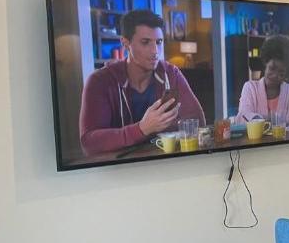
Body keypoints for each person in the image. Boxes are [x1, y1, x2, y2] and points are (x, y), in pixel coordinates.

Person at [79, 10, 205, 155]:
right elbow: (89, 143)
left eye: (159, 42)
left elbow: (197, 122)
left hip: (165, 161)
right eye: (145, 42)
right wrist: (141, 129)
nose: (155, 51)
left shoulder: (170, 74)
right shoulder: (100, 81)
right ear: (125, 43)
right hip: (120, 167)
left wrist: (166, 128)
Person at [236, 34, 289, 129]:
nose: (275, 75)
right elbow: (242, 116)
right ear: (266, 63)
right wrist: (263, 121)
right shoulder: (250, 88)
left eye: (281, 73)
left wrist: (279, 125)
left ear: (287, 75)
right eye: (272, 68)